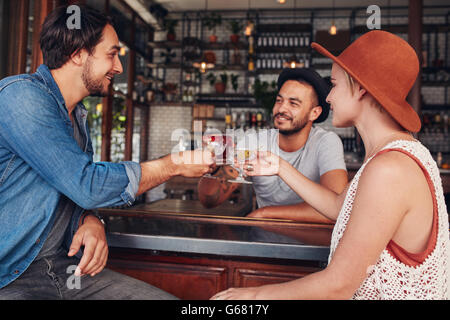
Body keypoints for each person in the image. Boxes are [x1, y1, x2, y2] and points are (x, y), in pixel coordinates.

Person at [211, 30, 450, 300]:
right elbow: (339, 207)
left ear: (360, 88)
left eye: (334, 85)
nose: (329, 98)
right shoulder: (392, 156)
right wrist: (280, 166)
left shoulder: (389, 169)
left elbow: (339, 285)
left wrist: (252, 296)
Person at [0, 6, 214, 300]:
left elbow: (68, 194)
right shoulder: (21, 97)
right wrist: (171, 165)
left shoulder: (76, 118)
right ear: (77, 53)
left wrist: (89, 220)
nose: (119, 67)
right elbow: (85, 184)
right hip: (9, 277)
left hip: (61, 269)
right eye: (112, 54)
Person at [198, 68, 348, 224]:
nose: (281, 109)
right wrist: (215, 163)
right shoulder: (255, 143)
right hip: (266, 241)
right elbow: (209, 200)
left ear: (314, 113)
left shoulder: (326, 142)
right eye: (279, 100)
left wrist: (266, 213)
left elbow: (336, 209)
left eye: (293, 103)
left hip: (313, 240)